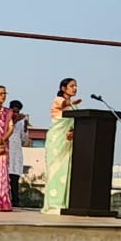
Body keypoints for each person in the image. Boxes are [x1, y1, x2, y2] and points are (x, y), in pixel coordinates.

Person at [42, 78, 82, 214]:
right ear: (63, 88)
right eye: (72, 86)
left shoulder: (75, 107)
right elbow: (64, 104)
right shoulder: (58, 100)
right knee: (56, 170)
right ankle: (54, 204)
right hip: (57, 141)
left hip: (68, 141)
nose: (75, 88)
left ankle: (65, 203)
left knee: (66, 171)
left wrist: (74, 131)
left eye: (76, 86)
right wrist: (71, 102)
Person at [8, 100, 29, 207]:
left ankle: (15, 200)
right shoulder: (6, 119)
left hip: (16, 151)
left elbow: (24, 140)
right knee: (5, 176)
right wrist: (15, 120)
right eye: (14, 111)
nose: (16, 114)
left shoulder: (21, 122)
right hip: (7, 149)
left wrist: (25, 127)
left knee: (14, 177)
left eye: (18, 112)